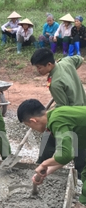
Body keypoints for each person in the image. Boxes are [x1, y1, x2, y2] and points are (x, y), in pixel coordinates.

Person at [17, 99, 86, 208]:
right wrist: (47, 171)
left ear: (34, 121)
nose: (33, 129)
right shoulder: (56, 115)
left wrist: (44, 164)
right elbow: (68, 153)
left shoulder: (56, 121)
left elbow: (65, 155)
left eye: (30, 126)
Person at [30, 48, 86, 178]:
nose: (38, 71)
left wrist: (47, 114)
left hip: (71, 115)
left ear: (49, 64)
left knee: (52, 136)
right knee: (80, 144)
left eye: (39, 68)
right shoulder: (66, 62)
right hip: (82, 109)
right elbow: (79, 59)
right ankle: (78, 173)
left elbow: (62, 109)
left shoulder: (55, 83)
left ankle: (42, 166)